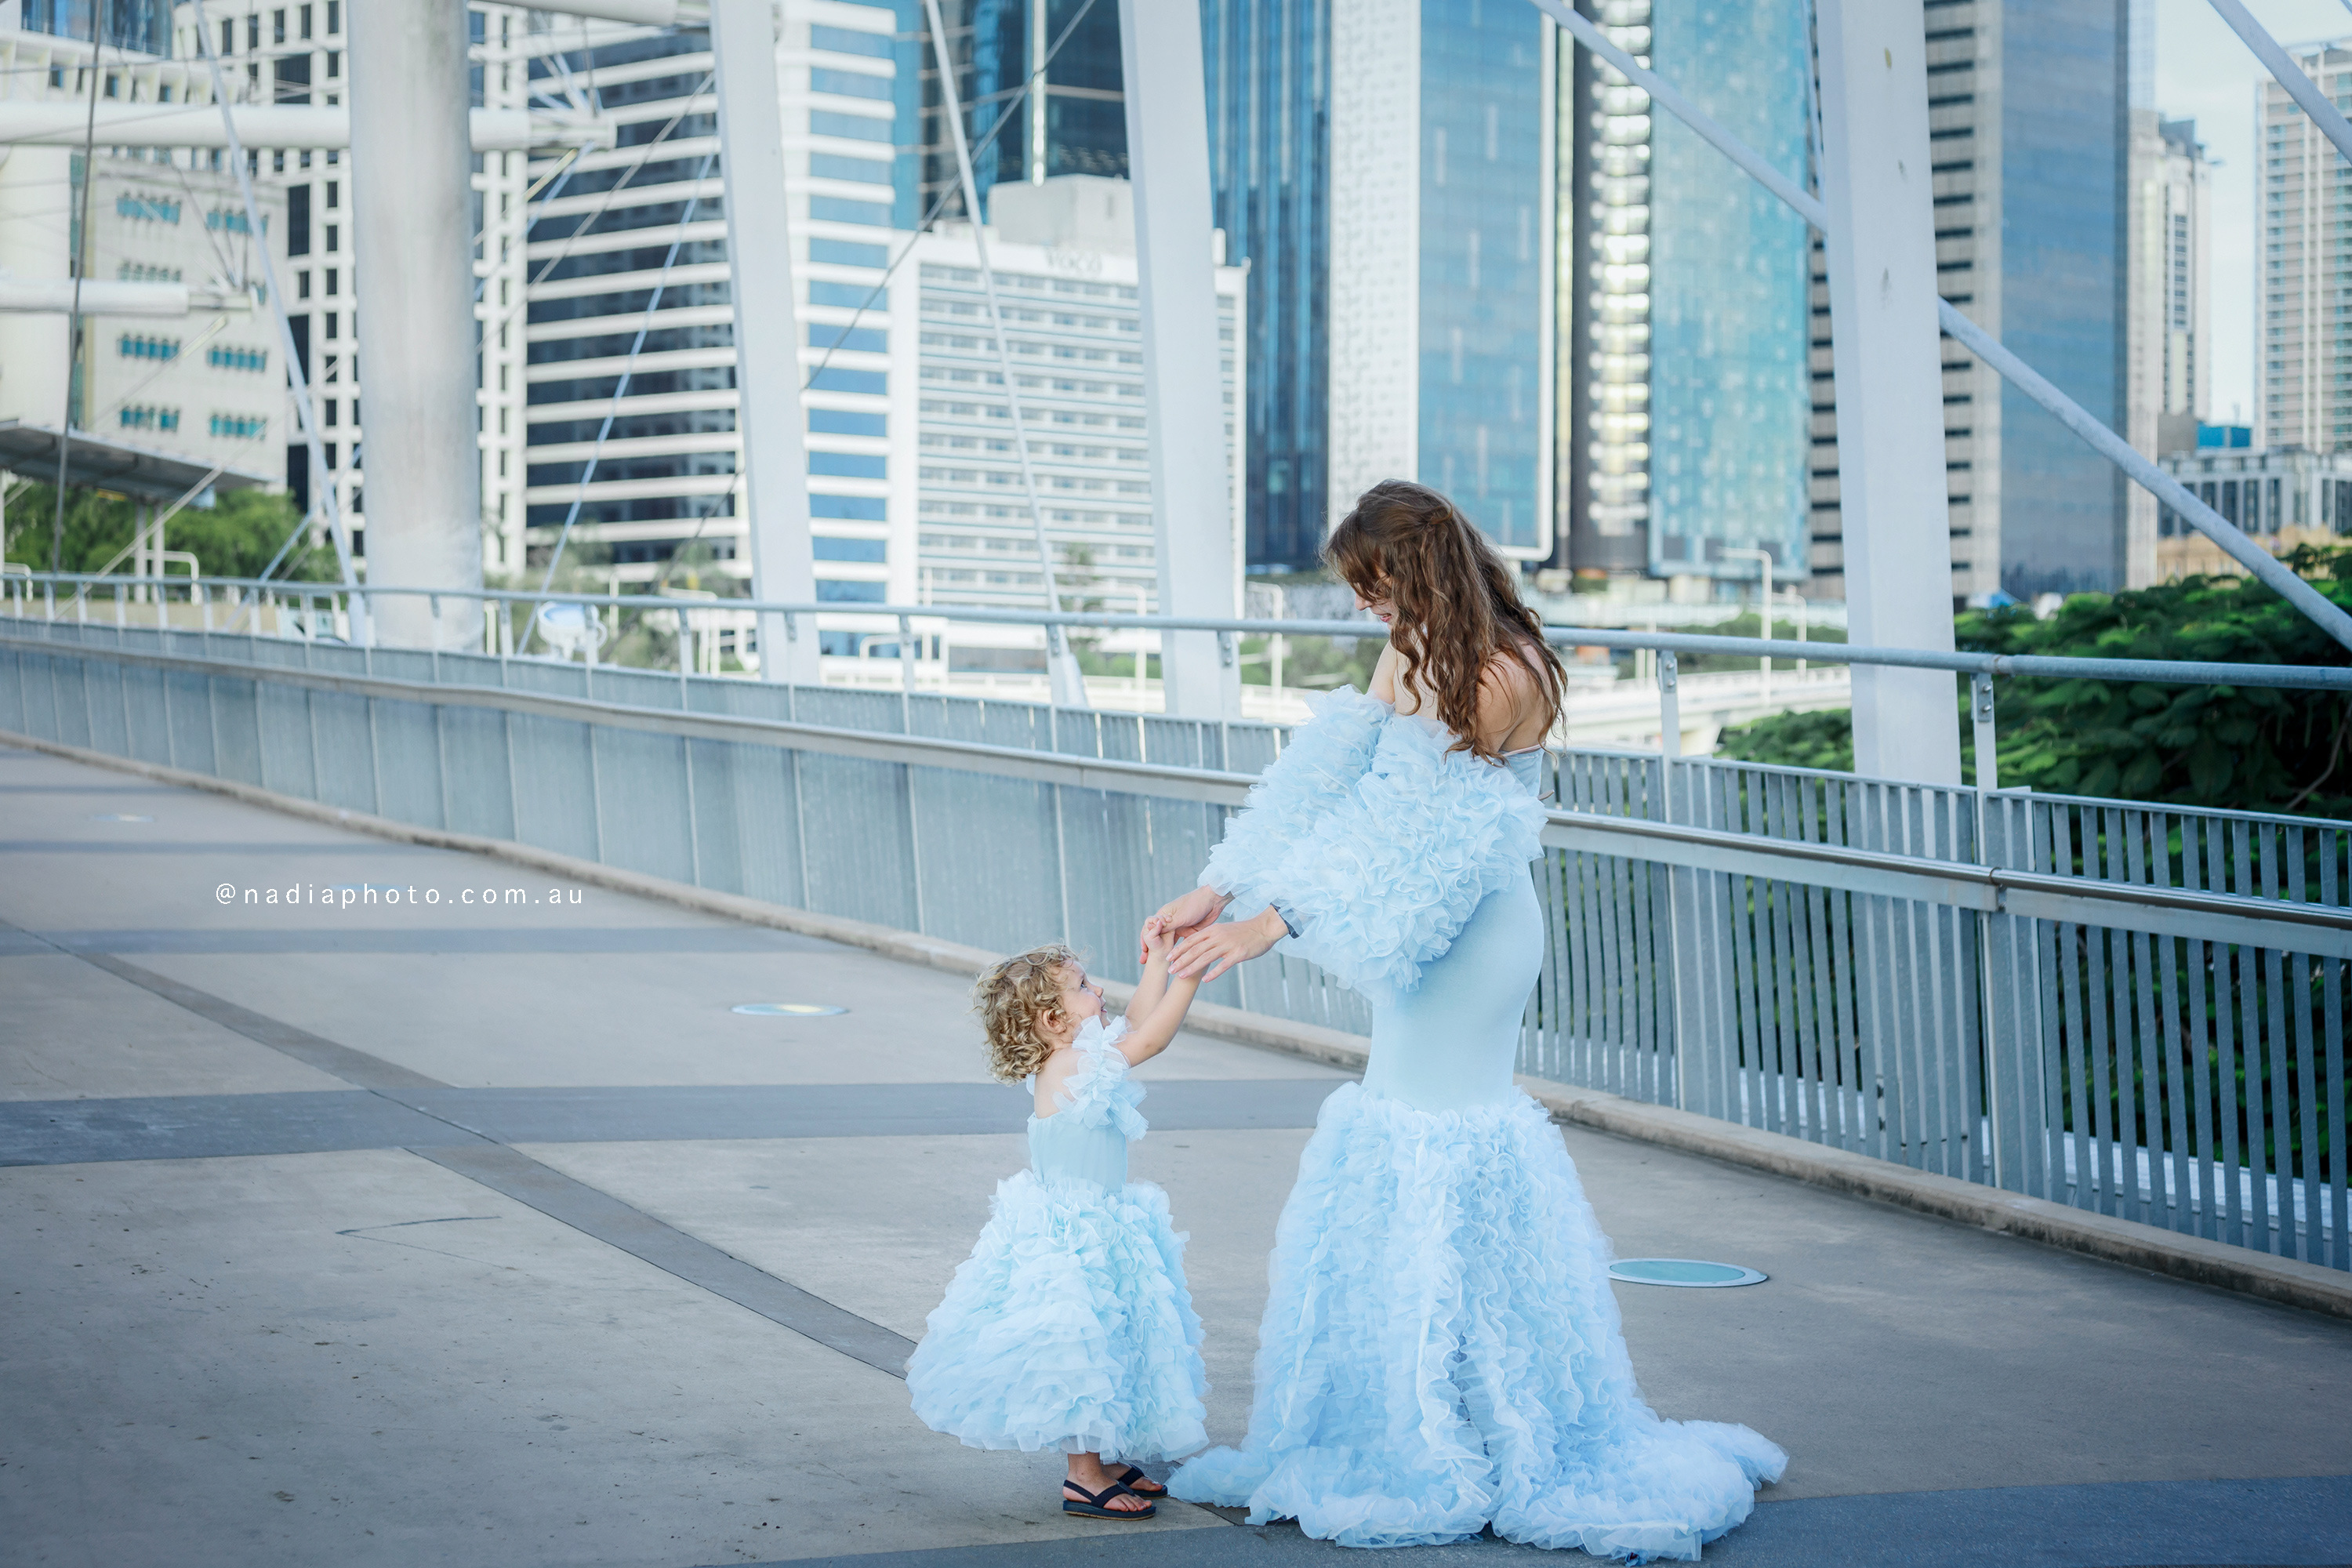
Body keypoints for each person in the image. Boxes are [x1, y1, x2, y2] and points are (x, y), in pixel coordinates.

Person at [1153, 479, 1786, 1557]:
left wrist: (1276, 922)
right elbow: (1332, 776)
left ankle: (1480, 1426)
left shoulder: (1506, 672)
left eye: (1377, 583)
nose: (1367, 607)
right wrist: (1225, 883)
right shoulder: (1411, 651)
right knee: (1401, 1155)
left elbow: (1420, 832)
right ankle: (1418, 1416)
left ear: (1425, 567)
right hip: (1413, 939)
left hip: (1476, 937)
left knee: (1447, 1153)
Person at [905, 929, 1209, 1522]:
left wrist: (1164, 960)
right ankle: (1083, 1475)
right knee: (1079, 1346)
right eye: (1084, 988)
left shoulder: (1075, 1054)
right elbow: (1151, 1037)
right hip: (1076, 1238)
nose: (1100, 992)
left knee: (1110, 1339)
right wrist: (1192, 976)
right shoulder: (1072, 1064)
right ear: (1052, 1017)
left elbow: (1135, 1024)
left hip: (1099, 1225)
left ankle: (1101, 1457)